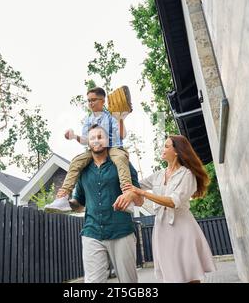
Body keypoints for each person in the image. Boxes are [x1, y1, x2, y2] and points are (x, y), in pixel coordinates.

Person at [117, 135, 216, 283]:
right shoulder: (158, 175)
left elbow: (172, 201)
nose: (162, 149)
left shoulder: (187, 174)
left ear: (176, 151)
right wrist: (124, 159)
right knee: (171, 274)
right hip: (162, 229)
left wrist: (143, 193)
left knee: (190, 273)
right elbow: (135, 184)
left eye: (166, 146)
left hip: (182, 229)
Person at [70, 124, 142, 283]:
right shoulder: (83, 170)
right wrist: (67, 202)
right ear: (87, 143)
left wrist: (130, 195)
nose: (96, 141)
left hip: (121, 231)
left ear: (108, 140)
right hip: (92, 233)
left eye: (100, 137)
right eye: (92, 138)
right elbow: (80, 203)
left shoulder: (122, 164)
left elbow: (140, 200)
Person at [45, 86, 134, 213]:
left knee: (120, 158)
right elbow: (86, 140)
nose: (90, 103)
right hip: (95, 149)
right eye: (88, 100)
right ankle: (63, 197)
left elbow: (122, 135)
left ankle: (127, 195)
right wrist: (74, 136)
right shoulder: (88, 119)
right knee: (76, 161)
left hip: (113, 146)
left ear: (103, 101)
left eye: (93, 100)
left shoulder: (111, 115)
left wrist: (120, 119)